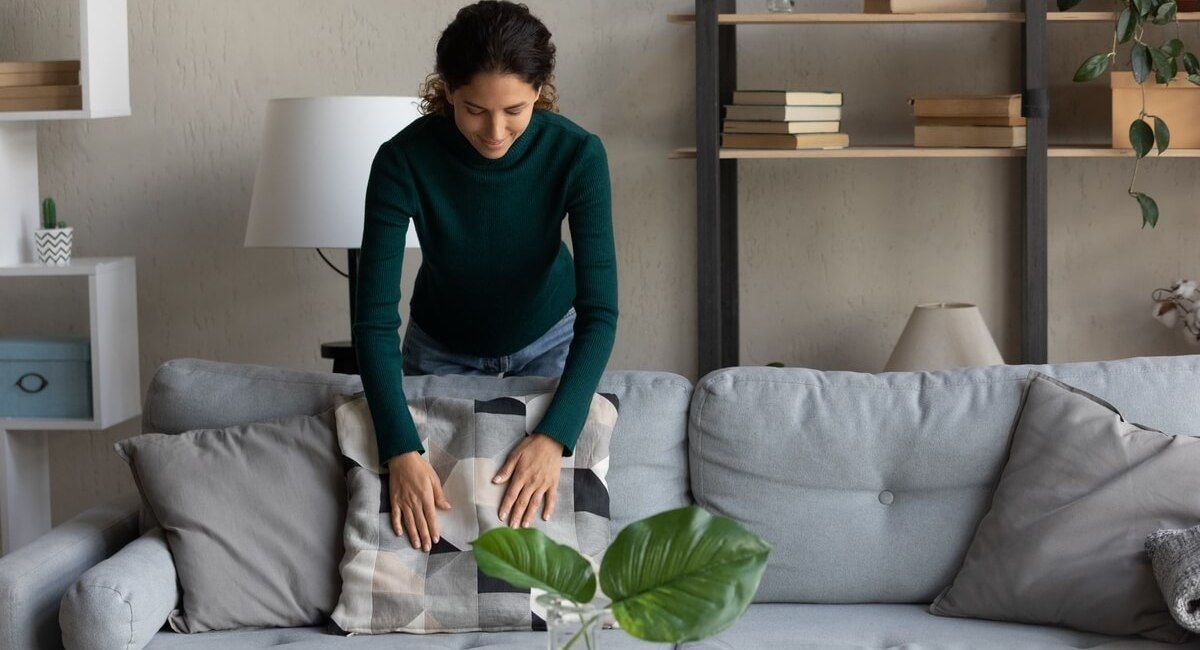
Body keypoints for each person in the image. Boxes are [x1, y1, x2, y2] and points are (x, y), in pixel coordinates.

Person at [352, 0, 618, 553]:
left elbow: (601, 311)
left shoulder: (578, 154)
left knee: (538, 524)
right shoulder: (402, 160)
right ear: (446, 89)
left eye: (515, 110)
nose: (494, 132)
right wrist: (399, 449)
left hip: (550, 342)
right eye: (474, 109)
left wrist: (555, 436)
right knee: (428, 527)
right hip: (439, 347)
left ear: (541, 90)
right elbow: (374, 318)